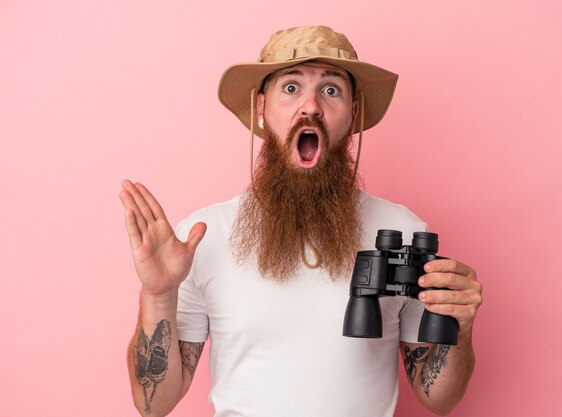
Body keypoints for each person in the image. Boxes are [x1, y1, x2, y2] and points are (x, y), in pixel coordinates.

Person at [120, 25, 482, 417]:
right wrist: (158, 296)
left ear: (354, 112)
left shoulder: (403, 231)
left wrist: (459, 327)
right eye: (291, 88)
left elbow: (439, 398)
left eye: (331, 90)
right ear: (261, 107)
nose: (311, 106)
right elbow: (153, 405)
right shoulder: (200, 237)